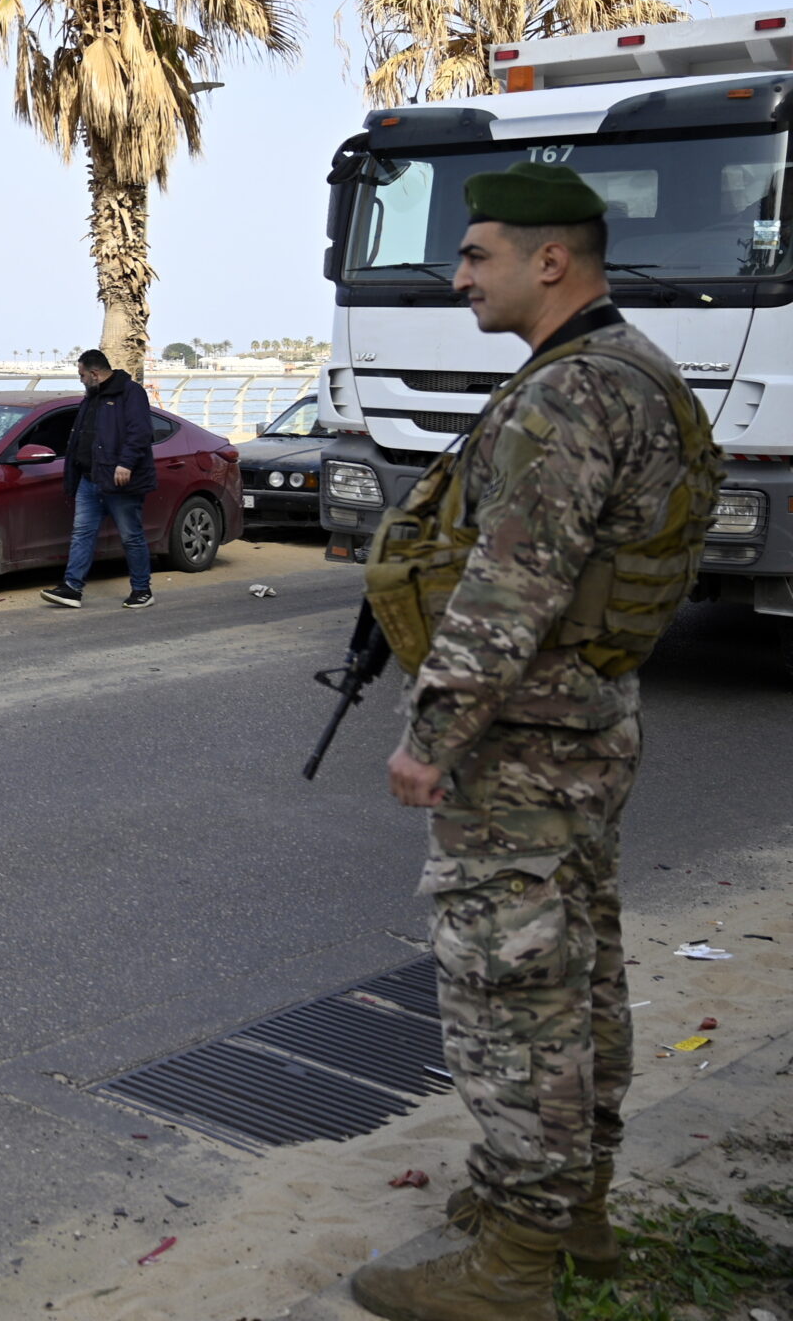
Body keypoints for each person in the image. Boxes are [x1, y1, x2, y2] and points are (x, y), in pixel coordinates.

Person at [347, 162, 718, 1321]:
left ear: (548, 260)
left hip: (524, 742)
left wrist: (434, 734)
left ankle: (512, 1262)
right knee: (576, 972)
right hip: (585, 720)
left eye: (476, 255)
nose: (457, 277)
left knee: (511, 992)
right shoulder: (632, 372)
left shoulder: (570, 394)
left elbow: (513, 588)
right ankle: (574, 1210)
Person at [39, 348, 156, 610]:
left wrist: (125, 463)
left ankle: (142, 590)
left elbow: (140, 431)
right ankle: (72, 588)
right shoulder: (92, 396)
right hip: (89, 479)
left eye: (81, 375)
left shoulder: (130, 392)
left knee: (131, 535)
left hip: (119, 481)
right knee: (82, 533)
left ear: (94, 373)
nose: (80, 380)